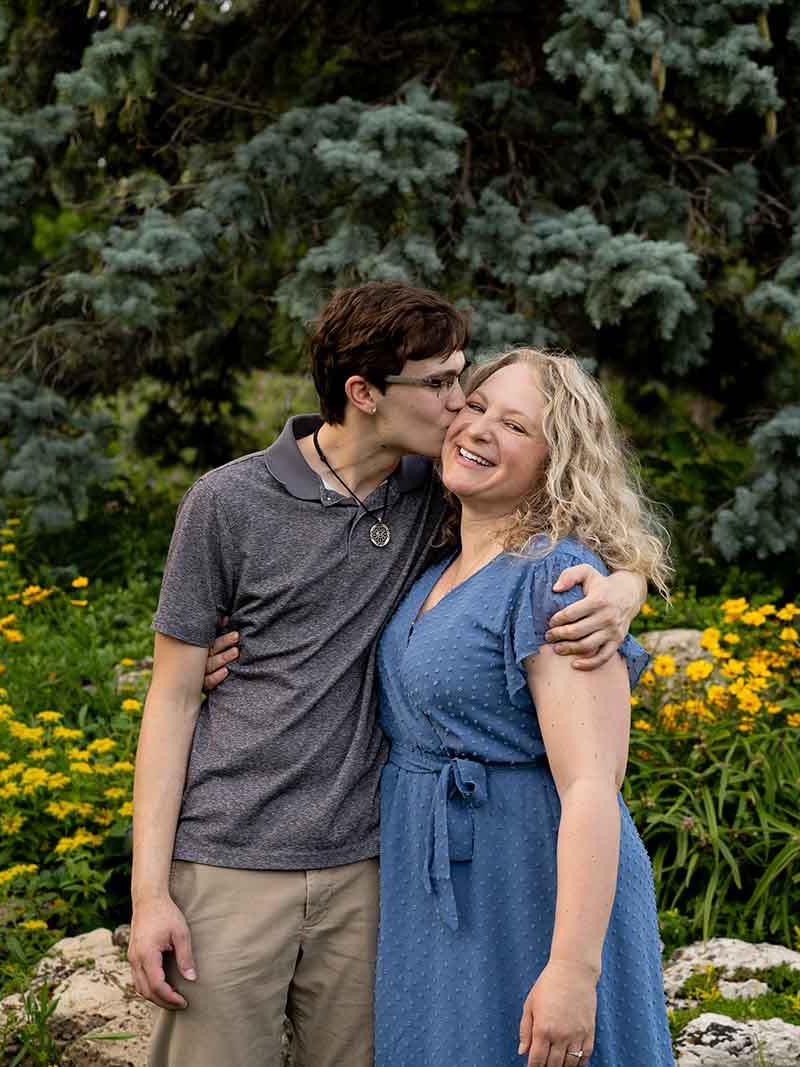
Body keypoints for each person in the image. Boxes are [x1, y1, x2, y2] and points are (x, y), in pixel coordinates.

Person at [127, 284, 651, 1067]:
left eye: (472, 390)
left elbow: (571, 522)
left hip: (397, 868)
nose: (462, 413)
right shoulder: (237, 502)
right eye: (449, 390)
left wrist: (626, 584)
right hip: (240, 859)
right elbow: (168, 701)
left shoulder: (463, 514)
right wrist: (148, 894)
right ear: (364, 394)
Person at [373, 348, 676, 1067]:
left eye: (514, 424)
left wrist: (574, 968)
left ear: (555, 460)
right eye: (475, 407)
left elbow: (591, 786)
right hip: (436, 881)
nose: (479, 429)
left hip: (529, 880)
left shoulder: (556, 577)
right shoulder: (438, 559)